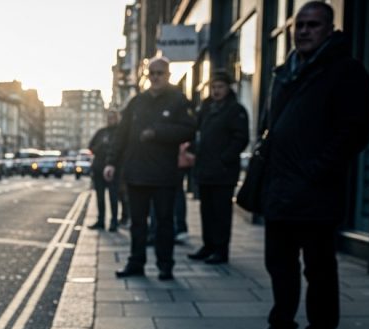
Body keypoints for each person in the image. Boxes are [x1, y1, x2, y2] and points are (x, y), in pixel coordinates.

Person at [236, 1, 369, 329]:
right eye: (300, 25)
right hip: (279, 188)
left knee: (319, 269)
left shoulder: (345, 71)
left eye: (313, 25)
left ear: (330, 29)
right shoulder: (285, 72)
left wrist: (316, 170)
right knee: (278, 264)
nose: (304, 31)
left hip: (315, 190)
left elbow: (354, 131)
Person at [103, 57, 197, 281]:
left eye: (160, 73)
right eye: (152, 73)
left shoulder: (178, 100)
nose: (155, 77)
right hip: (136, 173)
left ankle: (165, 265)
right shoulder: (137, 102)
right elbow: (121, 135)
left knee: (164, 222)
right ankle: (136, 262)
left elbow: (189, 130)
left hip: (164, 175)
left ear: (168, 75)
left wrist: (158, 132)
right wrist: (111, 162)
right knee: (138, 223)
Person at [187, 71, 250, 265]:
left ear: (228, 87)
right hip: (205, 169)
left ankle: (221, 250)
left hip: (223, 171)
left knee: (221, 212)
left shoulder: (235, 110)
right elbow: (194, 131)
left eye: (220, 87)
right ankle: (208, 246)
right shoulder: (206, 107)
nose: (216, 91)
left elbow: (241, 138)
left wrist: (224, 158)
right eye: (213, 87)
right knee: (207, 211)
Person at [88, 111, 122, 232]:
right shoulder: (101, 132)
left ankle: (114, 222)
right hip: (98, 169)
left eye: (113, 117)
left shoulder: (120, 132)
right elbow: (90, 146)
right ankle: (101, 221)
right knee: (100, 197)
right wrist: (99, 148)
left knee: (114, 197)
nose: (110, 120)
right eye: (108, 118)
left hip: (114, 170)